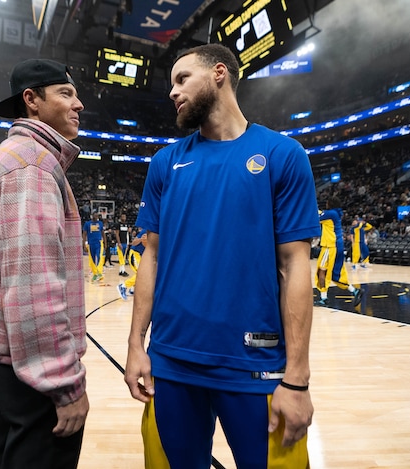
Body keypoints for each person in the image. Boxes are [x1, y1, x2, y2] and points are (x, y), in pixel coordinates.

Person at [124, 44, 320, 467]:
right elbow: (150, 258)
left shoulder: (282, 155)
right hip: (171, 365)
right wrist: (136, 345)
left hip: (257, 367)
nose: (172, 93)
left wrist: (298, 378)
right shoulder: (164, 163)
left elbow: (294, 266)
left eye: (181, 80)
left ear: (218, 74)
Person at [0, 58, 89, 469]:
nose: (79, 104)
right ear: (32, 101)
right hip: (27, 367)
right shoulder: (32, 166)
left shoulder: (16, 156)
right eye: (66, 93)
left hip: (0, 356)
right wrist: (64, 385)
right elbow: (33, 288)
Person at [314, 196, 363, 307]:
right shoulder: (334, 213)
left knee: (321, 271)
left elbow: (315, 216)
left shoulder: (330, 214)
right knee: (335, 274)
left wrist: (309, 204)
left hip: (330, 247)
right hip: (336, 246)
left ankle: (324, 299)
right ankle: (354, 291)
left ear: (330, 203)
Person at [116, 227, 146, 300]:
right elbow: (134, 242)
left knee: (142, 273)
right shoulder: (146, 231)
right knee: (141, 274)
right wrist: (141, 239)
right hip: (135, 253)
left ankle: (132, 289)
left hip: (141, 255)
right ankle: (123, 286)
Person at [82, 212, 105, 283]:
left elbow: (103, 233)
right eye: (94, 215)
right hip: (90, 244)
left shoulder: (100, 223)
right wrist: (83, 244)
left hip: (99, 243)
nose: (96, 216)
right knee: (92, 260)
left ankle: (99, 273)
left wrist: (105, 243)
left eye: (97, 215)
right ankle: (95, 274)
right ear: (92, 216)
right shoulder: (87, 224)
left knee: (99, 257)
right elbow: (84, 234)